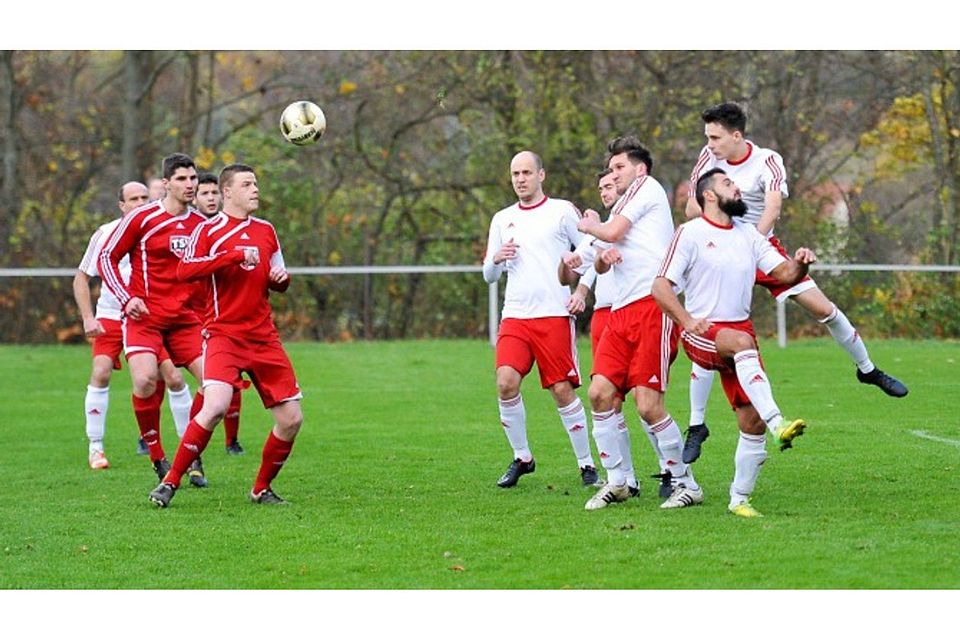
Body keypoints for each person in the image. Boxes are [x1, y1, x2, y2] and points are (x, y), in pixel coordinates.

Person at [682, 102, 908, 464]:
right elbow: (692, 208)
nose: (709, 144)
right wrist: (724, 237)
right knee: (709, 324)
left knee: (825, 309)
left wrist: (749, 245)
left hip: (760, 246)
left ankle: (868, 370)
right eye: (707, 137)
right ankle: (696, 424)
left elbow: (773, 208)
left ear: (736, 136)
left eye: (715, 137)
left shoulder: (768, 160)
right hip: (718, 250)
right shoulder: (707, 160)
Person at [654, 167, 813, 517]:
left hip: (740, 338)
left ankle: (739, 499)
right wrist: (686, 320)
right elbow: (660, 287)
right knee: (742, 343)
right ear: (709, 195)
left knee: (750, 421)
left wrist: (801, 264)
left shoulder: (748, 234)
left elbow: (785, 274)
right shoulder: (690, 233)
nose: (737, 187)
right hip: (702, 332)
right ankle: (778, 423)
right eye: (728, 183)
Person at [149, 163, 303, 507]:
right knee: (215, 405)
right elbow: (184, 270)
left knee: (292, 419)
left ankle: (261, 489)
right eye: (247, 184)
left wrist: (281, 280)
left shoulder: (266, 230)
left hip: (263, 337)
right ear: (227, 192)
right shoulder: (208, 230)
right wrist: (231, 256)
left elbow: (277, 275)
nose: (255, 189)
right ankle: (170, 482)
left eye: (256, 183)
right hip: (223, 335)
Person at [575, 136, 701, 511]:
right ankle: (618, 481)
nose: (613, 174)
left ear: (640, 169)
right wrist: (600, 255)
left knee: (647, 405)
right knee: (599, 393)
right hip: (620, 311)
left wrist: (590, 225)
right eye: (611, 168)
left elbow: (611, 233)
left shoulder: (647, 188)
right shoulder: (622, 205)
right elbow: (602, 261)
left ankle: (686, 483)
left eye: (619, 167)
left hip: (652, 307)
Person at [482, 150, 600, 489]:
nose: (521, 179)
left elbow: (593, 250)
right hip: (516, 316)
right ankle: (522, 457)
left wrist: (581, 291)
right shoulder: (502, 218)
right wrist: (496, 259)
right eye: (515, 174)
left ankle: (587, 464)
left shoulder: (561, 211)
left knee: (562, 390)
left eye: (526, 173)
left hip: (554, 315)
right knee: (505, 383)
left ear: (541, 175)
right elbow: (489, 275)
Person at [99, 153, 209, 486]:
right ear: (166, 183)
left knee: (215, 385)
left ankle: (191, 451)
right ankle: (157, 456)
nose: (190, 185)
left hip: (185, 320)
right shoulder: (142, 218)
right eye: (182, 179)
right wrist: (126, 297)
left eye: (193, 178)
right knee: (146, 380)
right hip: (145, 318)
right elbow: (108, 257)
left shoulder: (202, 224)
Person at [73, 181, 193, 469]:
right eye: (133, 199)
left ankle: (188, 450)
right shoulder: (106, 233)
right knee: (101, 372)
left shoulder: (158, 227)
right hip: (112, 316)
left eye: (144, 197)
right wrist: (88, 317)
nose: (140, 203)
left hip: (147, 318)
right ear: (121, 205)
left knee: (173, 378)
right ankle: (96, 447)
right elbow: (81, 278)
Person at [195, 171, 246, 455]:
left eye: (214, 192)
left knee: (227, 382)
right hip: (190, 316)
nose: (211, 198)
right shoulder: (197, 229)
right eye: (204, 193)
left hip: (220, 317)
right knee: (174, 379)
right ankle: (186, 445)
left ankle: (231, 440)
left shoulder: (233, 226)